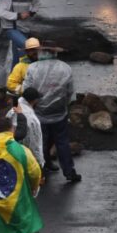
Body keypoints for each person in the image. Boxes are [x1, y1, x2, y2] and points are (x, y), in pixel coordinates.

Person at [23, 46, 81, 182]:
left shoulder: (32, 68)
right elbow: (70, 91)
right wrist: (64, 104)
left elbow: (26, 91)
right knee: (62, 143)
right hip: (59, 113)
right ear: (55, 53)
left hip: (38, 113)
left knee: (40, 142)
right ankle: (69, 172)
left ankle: (41, 172)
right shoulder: (65, 68)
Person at [0, 0, 41, 67]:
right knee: (27, 46)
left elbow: (37, 4)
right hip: (11, 28)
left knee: (18, 57)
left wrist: (31, 12)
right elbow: (1, 13)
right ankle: (36, 67)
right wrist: (17, 15)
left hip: (24, 27)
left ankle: (14, 77)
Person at [15, 87, 44, 167]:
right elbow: (35, 142)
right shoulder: (32, 119)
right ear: (34, 100)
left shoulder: (14, 108)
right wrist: (39, 162)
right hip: (28, 158)